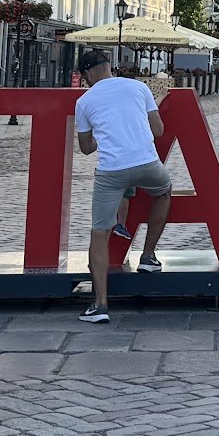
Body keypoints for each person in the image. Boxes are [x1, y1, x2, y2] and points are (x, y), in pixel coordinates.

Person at [73, 51, 171, 324]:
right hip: (146, 163)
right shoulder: (139, 87)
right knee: (163, 192)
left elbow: (85, 148)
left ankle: (100, 305)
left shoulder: (84, 101)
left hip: (112, 172)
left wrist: (103, 134)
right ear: (108, 67)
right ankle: (149, 256)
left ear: (88, 75)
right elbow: (159, 131)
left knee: (99, 234)